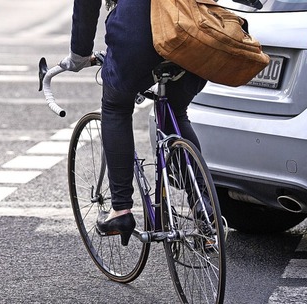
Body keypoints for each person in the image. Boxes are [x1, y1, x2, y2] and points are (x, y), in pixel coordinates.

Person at [58, 0, 208, 246]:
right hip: (196, 31)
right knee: (176, 112)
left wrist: (80, 53)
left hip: (139, 31)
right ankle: (205, 209)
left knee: (116, 107)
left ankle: (121, 210)